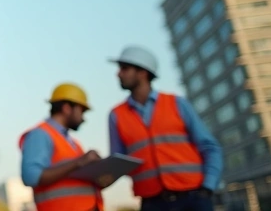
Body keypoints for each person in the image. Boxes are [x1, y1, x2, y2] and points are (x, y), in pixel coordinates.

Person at [108, 45, 222, 211]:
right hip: (152, 203)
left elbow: (210, 147)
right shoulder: (116, 115)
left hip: (193, 199)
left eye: (124, 68)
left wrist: (207, 188)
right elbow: (118, 163)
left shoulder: (177, 103)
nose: (118, 73)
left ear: (142, 73)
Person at [19, 83, 109, 211]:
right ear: (67, 108)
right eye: (81, 111)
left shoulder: (73, 143)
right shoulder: (40, 134)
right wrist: (79, 162)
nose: (83, 118)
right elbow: (31, 176)